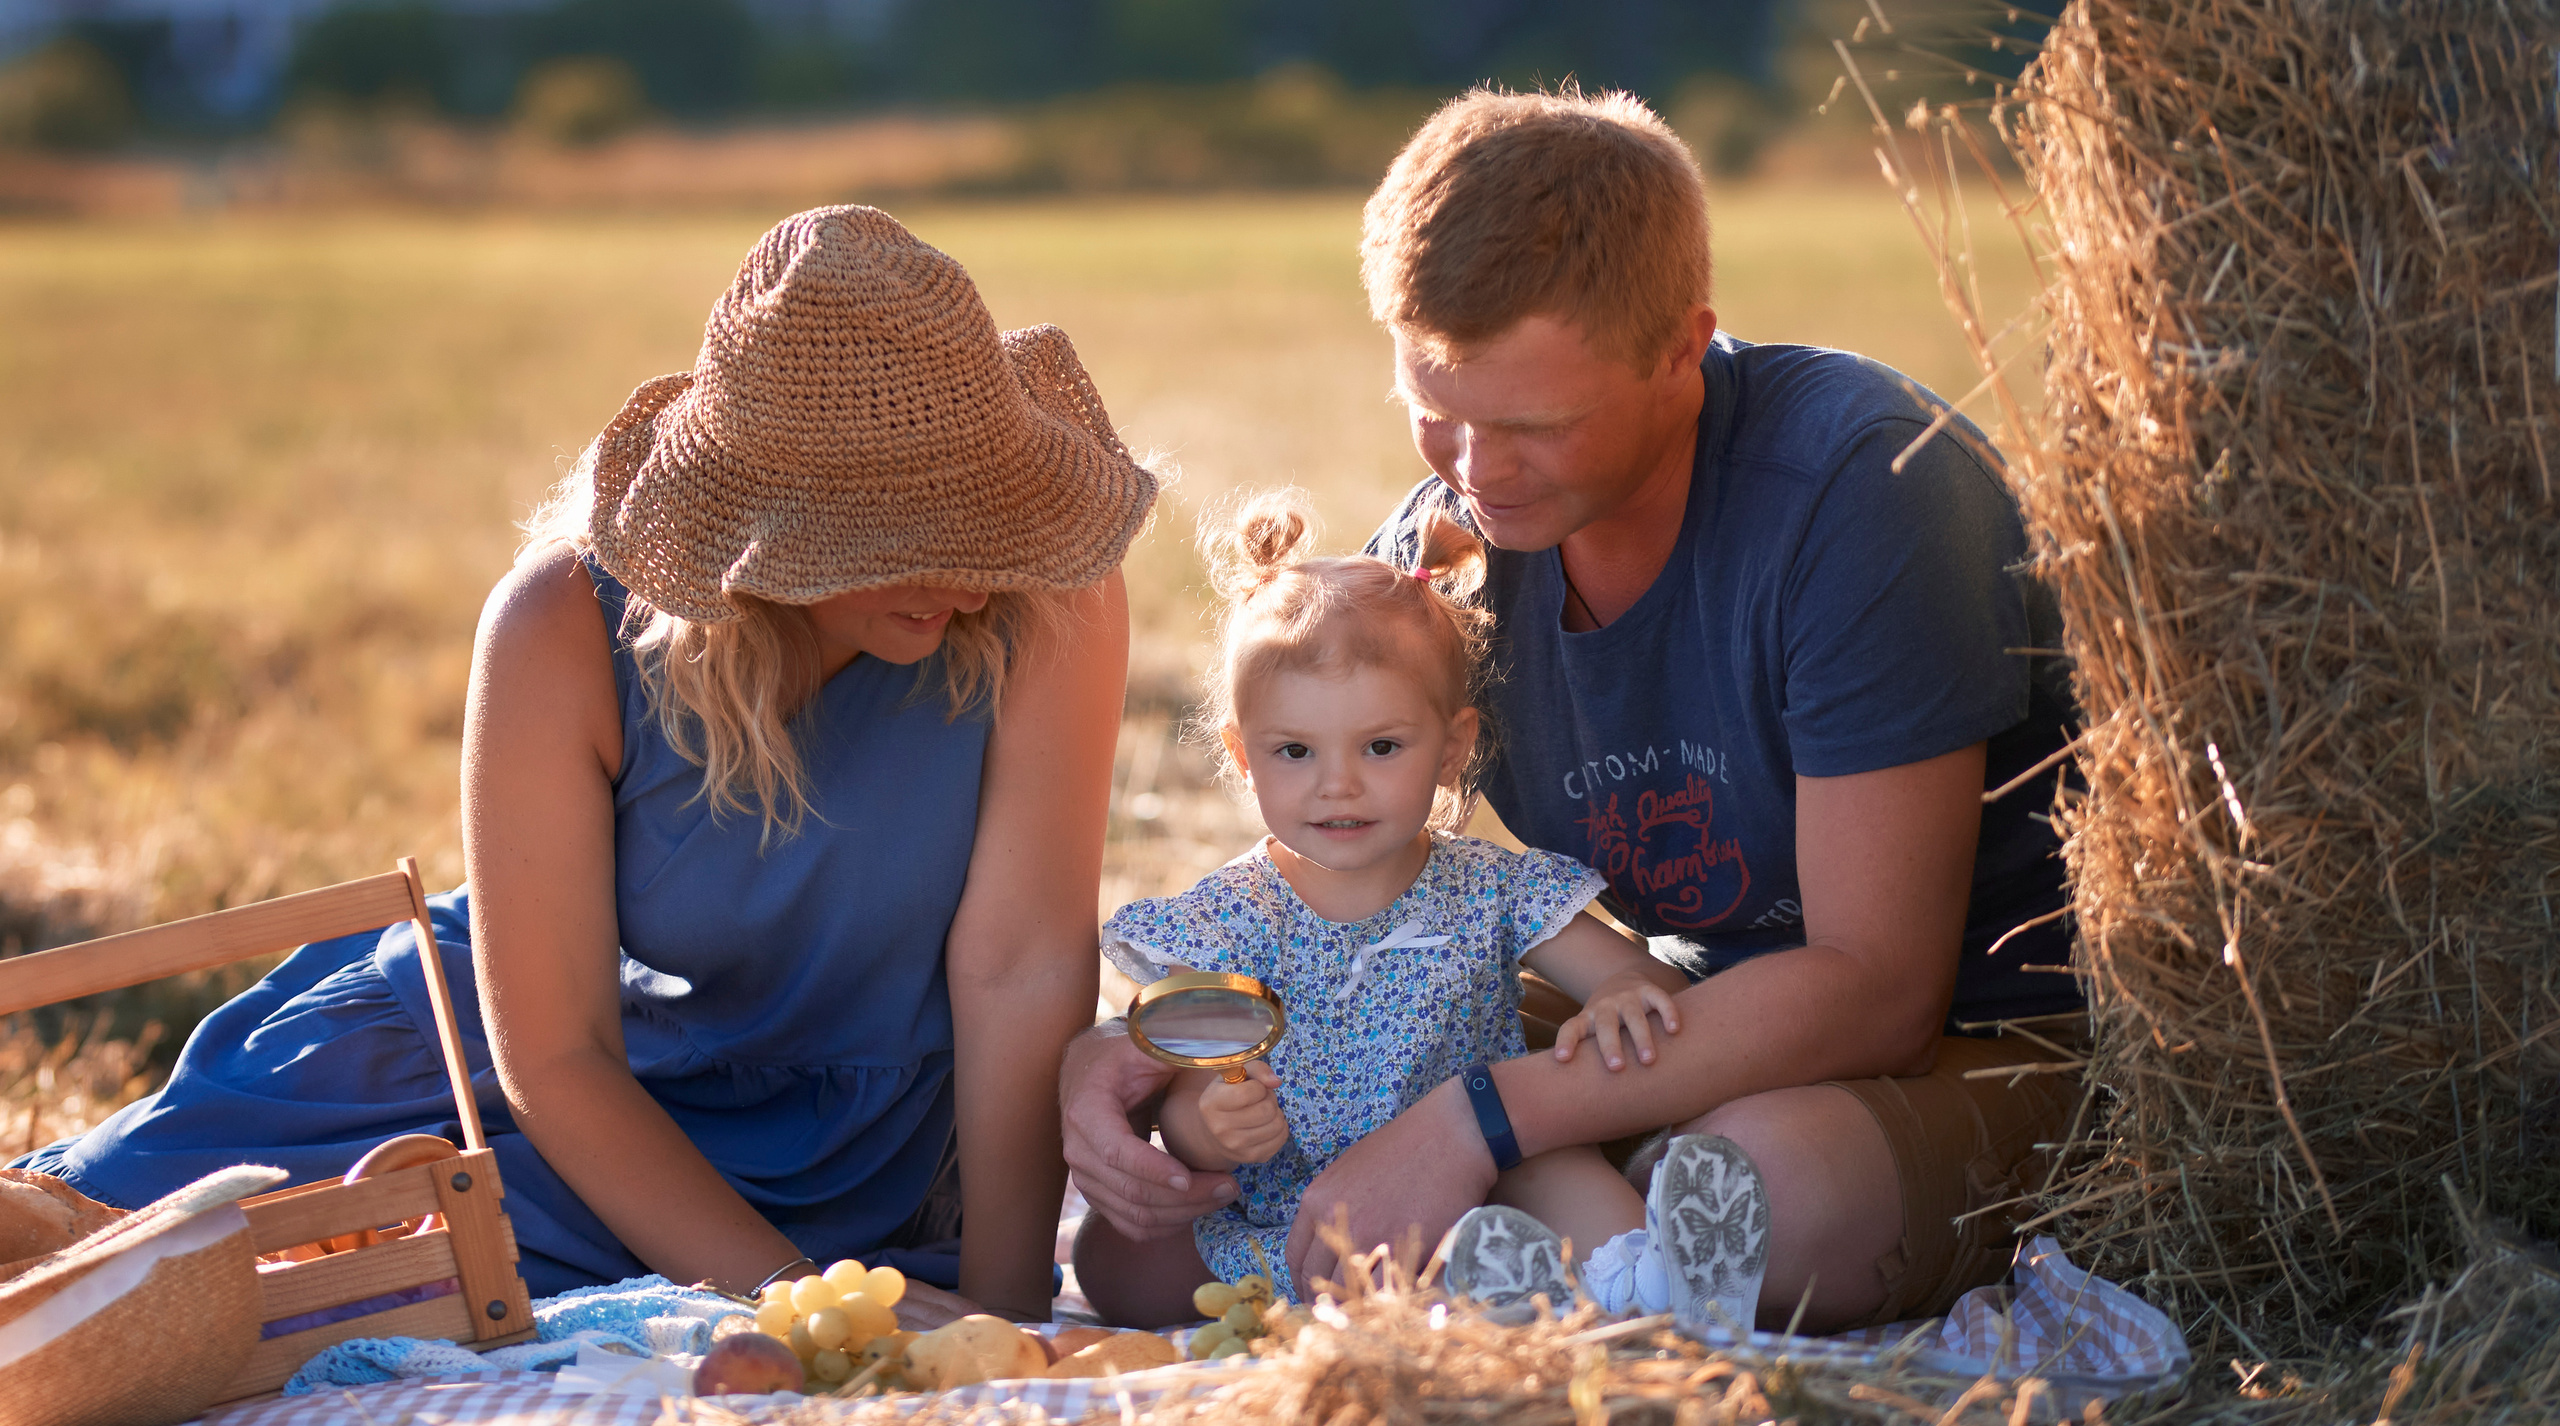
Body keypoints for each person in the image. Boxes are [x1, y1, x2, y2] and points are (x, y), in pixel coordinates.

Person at [15, 206, 1155, 1326]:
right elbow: (554, 1056)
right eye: (907, 531)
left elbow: (1018, 961)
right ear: (771, 528)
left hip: (832, 1147)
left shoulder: (1044, 583)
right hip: (513, 1075)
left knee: (386, 1286)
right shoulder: (560, 625)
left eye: (983, 513)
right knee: (85, 1254)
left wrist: (1011, 1312)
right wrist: (790, 1308)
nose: (969, 565)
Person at [1066, 89, 2080, 1336]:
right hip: (1675, 1003)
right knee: (1353, 1093)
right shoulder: (1453, 551)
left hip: (1981, 1030)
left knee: (1766, 1202)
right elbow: (1342, 865)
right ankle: (1567, 1242)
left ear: (1681, 347)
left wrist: (1474, 1120)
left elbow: (1880, 988)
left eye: (1533, 424)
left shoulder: (1862, 493)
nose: (1476, 471)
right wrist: (1132, 1059)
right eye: (1436, 409)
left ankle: (1574, 1233)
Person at [1097, 493, 1757, 1319]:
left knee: (1553, 1167)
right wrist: (1213, 1123)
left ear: (1451, 747)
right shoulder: (1226, 921)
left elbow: (1630, 975)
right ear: (1242, 754)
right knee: (1114, 1259)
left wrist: (1622, 996)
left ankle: (1654, 1278)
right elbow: (1183, 1100)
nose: (1338, 783)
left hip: (1479, 1187)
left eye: (1381, 746)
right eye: (1295, 751)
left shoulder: (1490, 887)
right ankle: (1506, 1293)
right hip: (1304, 1216)